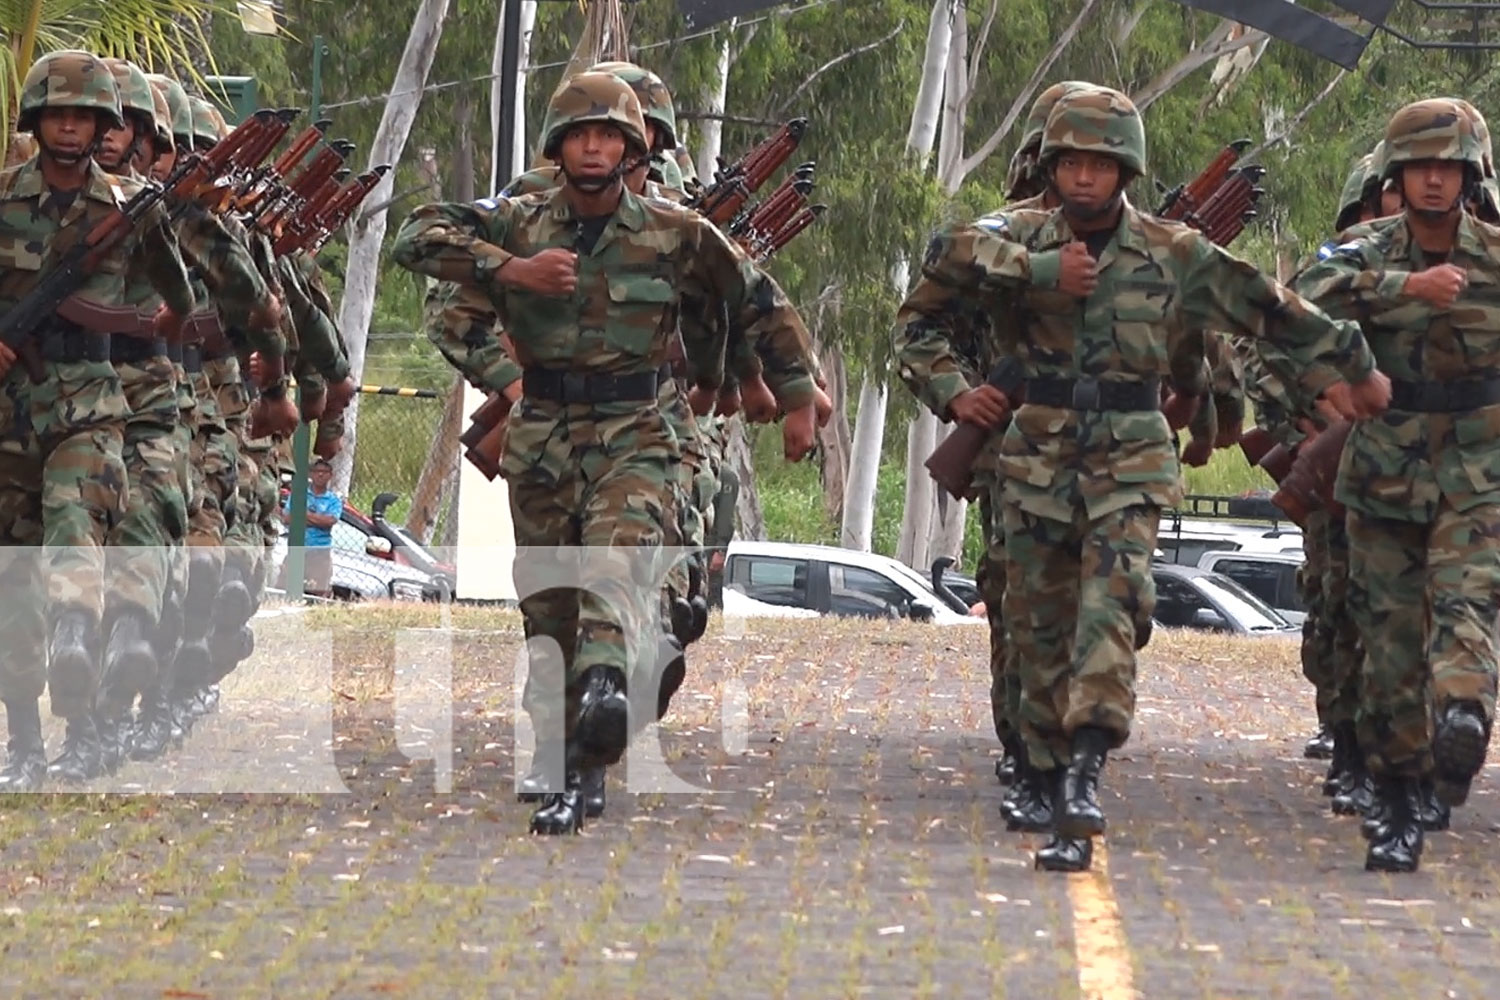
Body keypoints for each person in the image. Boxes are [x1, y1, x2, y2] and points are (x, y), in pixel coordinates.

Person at [894, 84, 1388, 872]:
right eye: (1072, 163)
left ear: (1126, 169)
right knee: (1033, 630)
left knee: (1113, 613)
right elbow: (940, 259)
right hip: (1034, 460)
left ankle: (1084, 773)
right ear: (1052, 167)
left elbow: (1269, 307)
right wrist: (1028, 284)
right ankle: (1043, 766)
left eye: (1101, 163)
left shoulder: (1173, 250)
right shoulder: (1013, 234)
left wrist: (1353, 364)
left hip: (1130, 455)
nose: (1085, 178)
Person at [392, 72, 820, 836]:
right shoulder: (518, 222)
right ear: (559, 146)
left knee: (615, 565)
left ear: (632, 149)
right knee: (550, 602)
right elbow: (415, 237)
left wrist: (794, 395)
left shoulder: (673, 229)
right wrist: (510, 270)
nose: (595, 147)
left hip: (638, 432)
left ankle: (597, 726)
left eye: (610, 135)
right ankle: (562, 756)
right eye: (581, 134)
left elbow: (758, 299)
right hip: (546, 436)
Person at [1292, 98, 1500, 873]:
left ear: (1470, 174)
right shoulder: (1359, 250)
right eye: (1420, 167)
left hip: (1478, 474)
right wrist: (1403, 291)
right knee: (1387, 646)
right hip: (1382, 474)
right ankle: (1401, 801)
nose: (1435, 182)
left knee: (1465, 605)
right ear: (1396, 174)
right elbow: (1301, 296)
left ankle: (1463, 718)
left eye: (1448, 167)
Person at [0, 50, 195, 789]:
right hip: (12, 412)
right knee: (14, 586)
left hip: (90, 406)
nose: (72, 127)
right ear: (38, 121)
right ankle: (22, 741)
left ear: (106, 123)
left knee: (75, 524)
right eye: (59, 113)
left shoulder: (129, 208)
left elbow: (176, 298)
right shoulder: (3, 200)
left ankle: (81, 664)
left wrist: (139, 325)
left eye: (85, 114)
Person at [282, 458, 342, 599]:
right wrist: (317, 519)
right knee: (283, 586)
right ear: (310, 474)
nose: (320, 475)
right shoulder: (298, 494)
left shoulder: (333, 500)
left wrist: (303, 515)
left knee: (319, 592)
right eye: (317, 471)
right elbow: (287, 518)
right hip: (297, 547)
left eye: (324, 472)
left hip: (320, 551)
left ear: (330, 476)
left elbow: (329, 521)